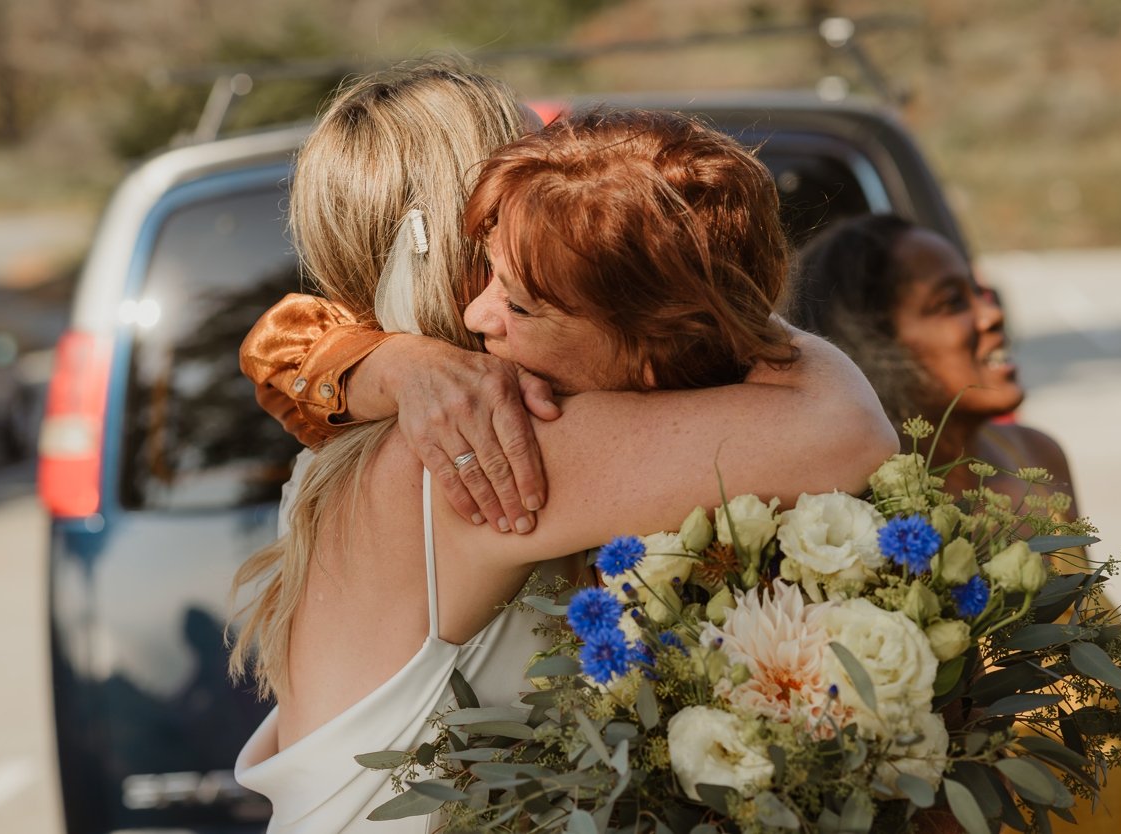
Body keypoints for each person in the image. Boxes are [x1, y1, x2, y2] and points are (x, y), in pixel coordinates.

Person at [224, 75, 897, 832]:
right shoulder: (485, 440)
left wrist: (376, 359)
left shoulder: (361, 438)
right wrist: (685, 274)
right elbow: (845, 429)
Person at [788, 214, 1121, 834]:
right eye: (950, 301)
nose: (990, 314)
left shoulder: (1037, 457)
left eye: (981, 291)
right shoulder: (866, 515)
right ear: (877, 343)